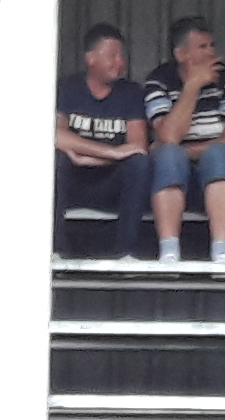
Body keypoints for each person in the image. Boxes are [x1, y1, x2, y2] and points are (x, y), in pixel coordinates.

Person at [145, 17, 225, 264]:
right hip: (171, 177)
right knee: (170, 156)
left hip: (218, 177)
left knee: (218, 154)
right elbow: (169, 136)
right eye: (202, 47)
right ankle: (169, 252)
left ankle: (222, 251)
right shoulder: (159, 80)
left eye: (212, 45)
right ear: (181, 54)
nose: (211, 52)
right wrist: (192, 86)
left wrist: (186, 150)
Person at [53, 25, 154, 258]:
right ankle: (55, 249)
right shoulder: (68, 88)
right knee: (55, 160)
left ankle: (126, 251)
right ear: (91, 58)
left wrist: (86, 155)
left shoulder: (131, 92)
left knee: (139, 164)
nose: (120, 62)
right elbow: (56, 135)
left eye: (121, 56)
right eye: (112, 56)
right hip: (73, 181)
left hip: (111, 184)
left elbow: (137, 147)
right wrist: (112, 153)